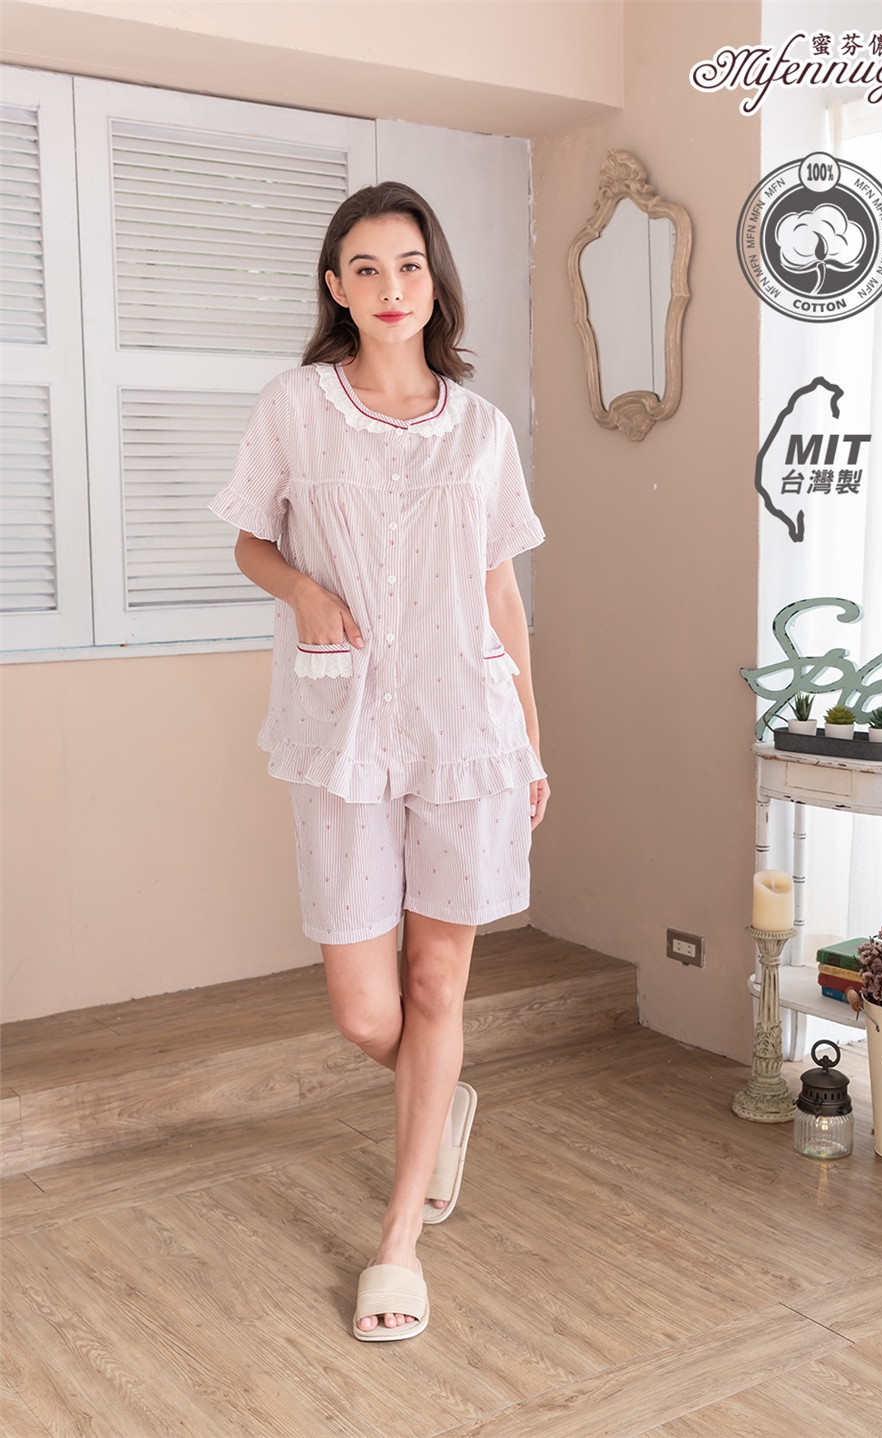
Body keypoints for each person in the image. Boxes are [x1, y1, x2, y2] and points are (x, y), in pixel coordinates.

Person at [210, 182, 549, 1341]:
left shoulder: (482, 429)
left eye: (408, 265)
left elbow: (502, 590)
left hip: (468, 726)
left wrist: (532, 737)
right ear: (335, 286)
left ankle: (398, 1243)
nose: (390, 287)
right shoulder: (296, 406)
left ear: (433, 281)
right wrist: (305, 591)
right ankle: (436, 1095)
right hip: (344, 725)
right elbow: (250, 538)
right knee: (367, 1010)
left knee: (438, 986)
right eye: (365, 268)